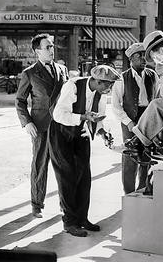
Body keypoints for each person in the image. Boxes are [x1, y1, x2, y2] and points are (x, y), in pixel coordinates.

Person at [51, 65, 120, 237]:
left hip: (80, 131)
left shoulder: (100, 94)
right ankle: (69, 222)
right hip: (61, 132)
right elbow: (58, 114)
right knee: (67, 177)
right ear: (97, 81)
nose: (109, 89)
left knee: (84, 177)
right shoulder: (73, 86)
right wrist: (82, 117)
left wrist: (103, 132)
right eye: (107, 85)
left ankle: (82, 218)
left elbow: (98, 117)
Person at [15, 33, 68, 218]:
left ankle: (66, 205)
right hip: (41, 126)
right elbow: (20, 101)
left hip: (62, 125)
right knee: (40, 165)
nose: (52, 49)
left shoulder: (62, 69)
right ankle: (36, 204)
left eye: (52, 46)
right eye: (47, 47)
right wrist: (27, 122)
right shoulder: (29, 73)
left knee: (64, 166)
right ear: (38, 51)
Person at [112, 43, 159, 194]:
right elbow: (116, 106)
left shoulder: (153, 75)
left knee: (147, 155)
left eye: (145, 55)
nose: (144, 59)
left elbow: (157, 98)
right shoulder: (122, 79)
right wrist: (129, 122)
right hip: (129, 118)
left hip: (148, 117)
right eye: (139, 56)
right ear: (131, 59)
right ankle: (129, 192)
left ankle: (143, 189)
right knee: (130, 157)